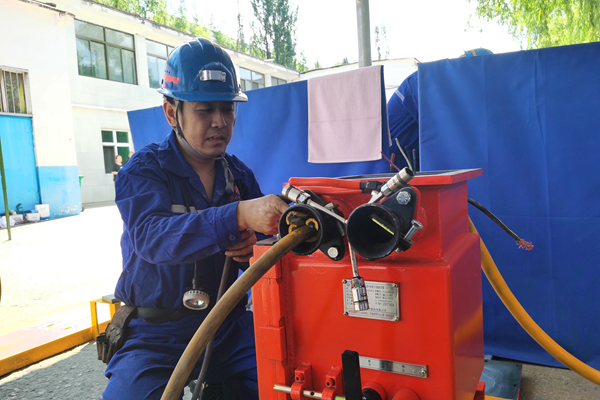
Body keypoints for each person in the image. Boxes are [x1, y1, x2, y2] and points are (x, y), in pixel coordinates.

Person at [103, 38, 289, 400]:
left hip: (226, 326)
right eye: (205, 110)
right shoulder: (143, 171)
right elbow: (152, 238)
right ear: (172, 113)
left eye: (227, 109)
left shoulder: (238, 175)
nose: (220, 122)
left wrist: (254, 246)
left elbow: (266, 250)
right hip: (155, 331)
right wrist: (237, 215)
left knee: (289, 376)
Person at [387, 48, 493, 171]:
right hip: (396, 165)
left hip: (413, 162)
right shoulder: (423, 81)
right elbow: (446, 129)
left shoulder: (449, 87)